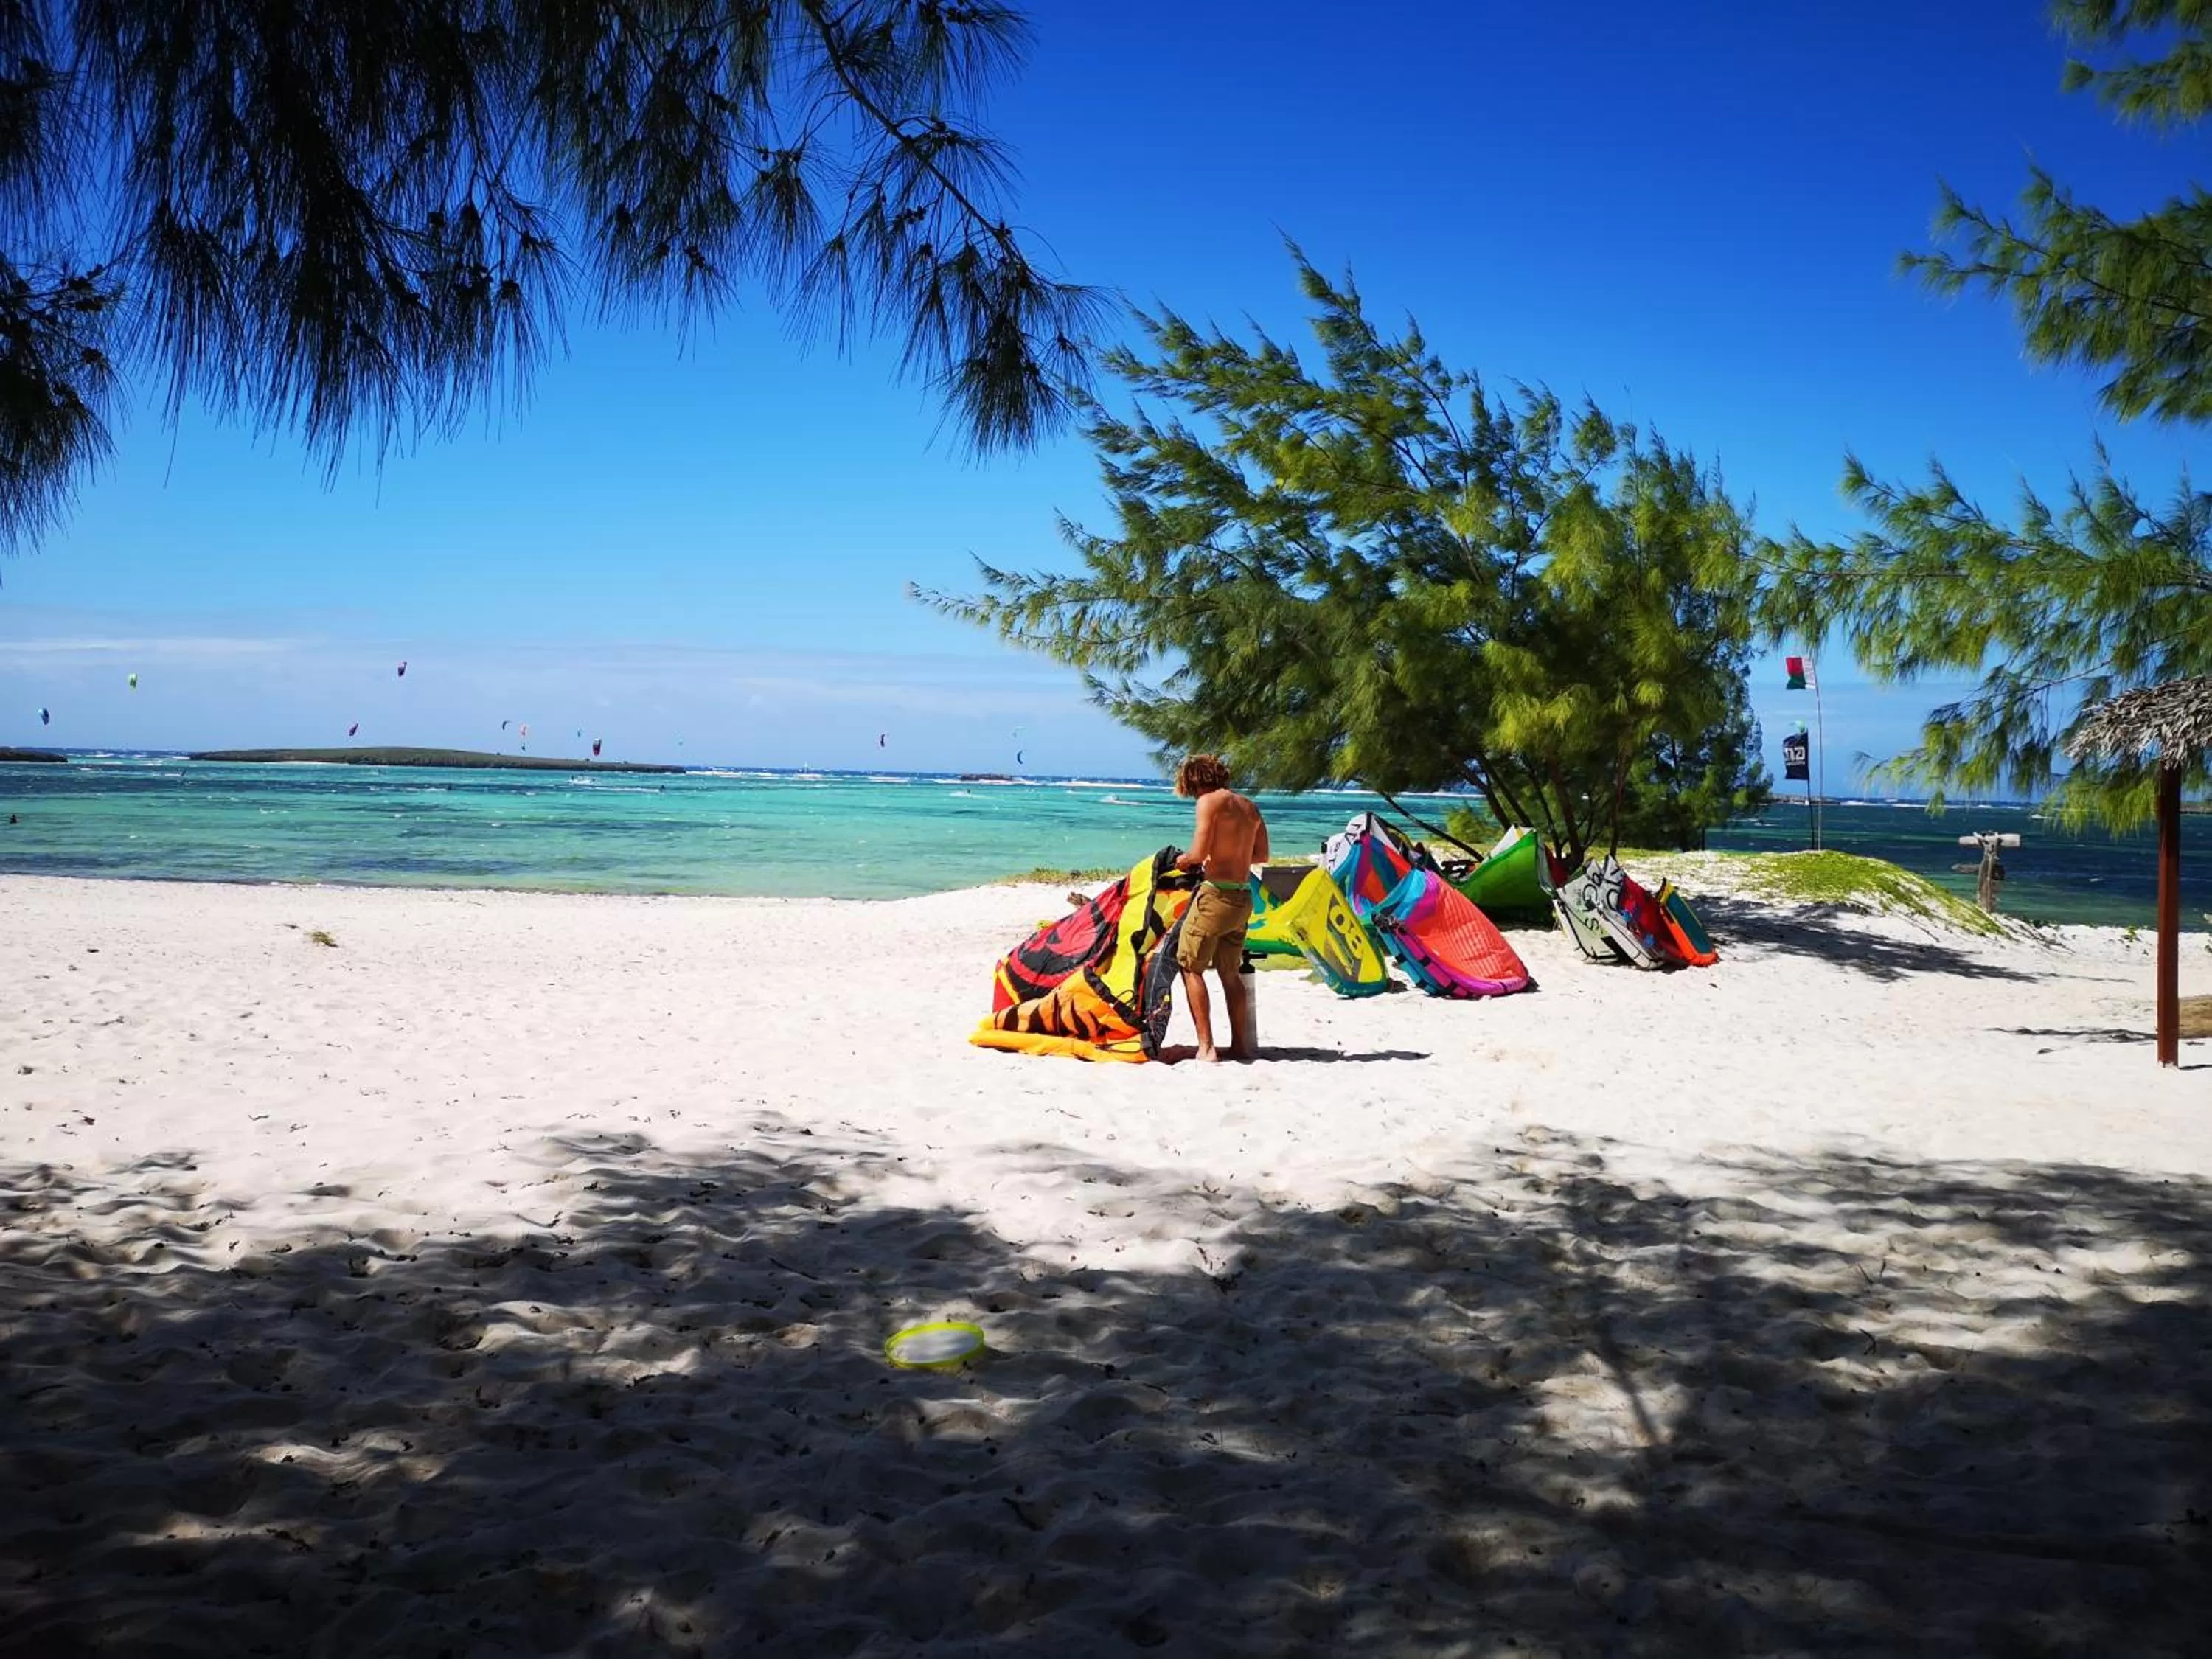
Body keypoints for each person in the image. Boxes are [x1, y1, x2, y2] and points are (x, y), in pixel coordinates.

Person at [1172, 754, 1268, 1062]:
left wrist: (1184, 861)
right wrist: (1229, 857)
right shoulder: (1249, 807)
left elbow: (1198, 854)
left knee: (1190, 966)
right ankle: (1240, 1046)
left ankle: (1207, 1048)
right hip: (1242, 897)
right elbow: (1261, 855)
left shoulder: (1209, 802)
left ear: (1194, 779)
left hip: (1215, 897)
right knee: (1230, 972)